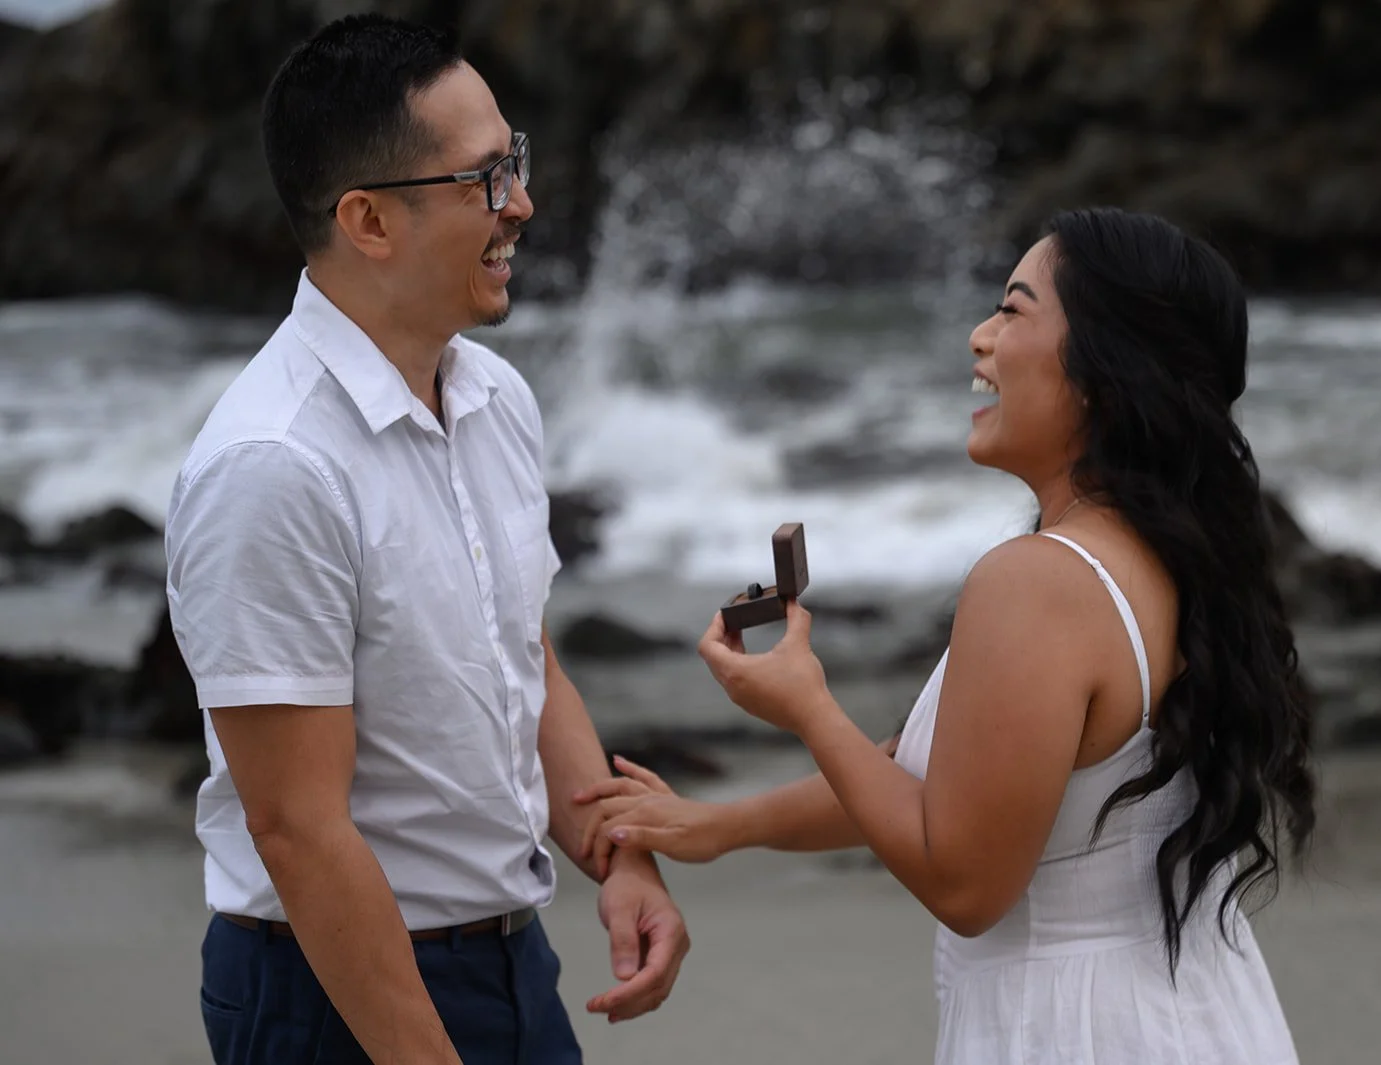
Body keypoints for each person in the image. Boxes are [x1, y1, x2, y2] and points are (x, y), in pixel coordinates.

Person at [578, 207, 1314, 1063]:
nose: (979, 338)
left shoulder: (1039, 580)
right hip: (1196, 1012)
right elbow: (938, 778)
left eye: (1013, 310)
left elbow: (965, 880)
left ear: (1102, 372)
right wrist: (721, 825)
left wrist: (809, 707)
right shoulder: (1184, 558)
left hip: (1074, 1028)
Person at [164, 15, 688, 1065]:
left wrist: (617, 854)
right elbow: (298, 832)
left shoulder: (496, 397)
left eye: (517, 162)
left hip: (511, 960)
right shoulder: (274, 463)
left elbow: (520, 653)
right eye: (485, 179)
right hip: (328, 992)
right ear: (367, 221)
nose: (523, 205)